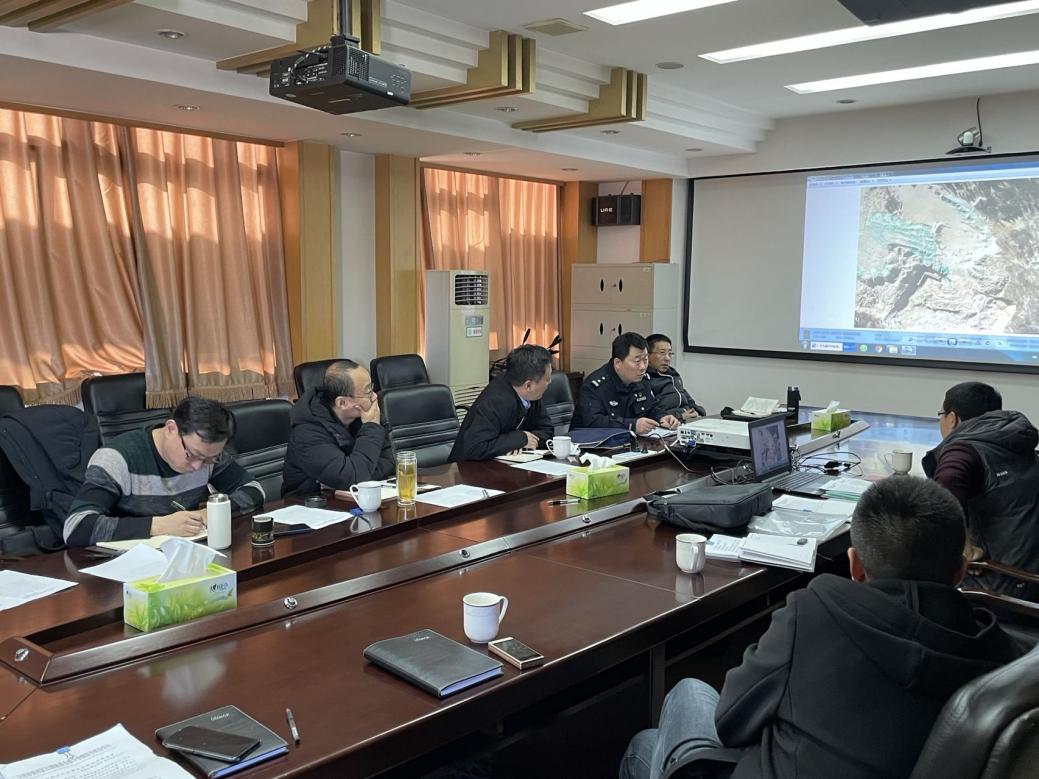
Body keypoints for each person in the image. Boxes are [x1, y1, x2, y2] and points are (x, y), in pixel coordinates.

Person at [619, 476, 1022, 779]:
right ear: (961, 570)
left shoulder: (816, 612)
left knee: (671, 712)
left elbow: (731, 721)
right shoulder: (1002, 655)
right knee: (648, 744)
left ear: (855, 565)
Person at [64, 396, 264, 547]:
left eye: (208, 459)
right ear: (170, 429)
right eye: (191, 455)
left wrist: (209, 513)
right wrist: (158, 526)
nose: (197, 466)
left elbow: (254, 490)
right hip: (129, 565)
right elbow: (76, 527)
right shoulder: (117, 458)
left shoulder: (207, 454)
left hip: (186, 554)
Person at [922, 380, 1039, 600]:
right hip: (1029, 577)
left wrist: (962, 546)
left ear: (952, 418)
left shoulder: (964, 448)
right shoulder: (1016, 441)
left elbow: (946, 483)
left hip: (995, 587)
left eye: (941, 414)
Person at [281, 359, 395, 497]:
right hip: (309, 504)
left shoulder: (362, 414)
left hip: (351, 499)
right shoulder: (308, 433)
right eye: (368, 392)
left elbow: (389, 462)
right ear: (342, 403)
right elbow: (352, 477)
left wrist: (349, 478)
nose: (374, 396)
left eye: (372, 388)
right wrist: (371, 428)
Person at [449, 345, 554, 462]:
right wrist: (518, 439)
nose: (550, 382)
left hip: (506, 464)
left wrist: (526, 442)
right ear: (528, 385)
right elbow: (475, 447)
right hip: (466, 468)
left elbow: (547, 431)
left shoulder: (531, 395)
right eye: (547, 379)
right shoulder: (496, 401)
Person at [571, 333, 680, 435]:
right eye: (637, 361)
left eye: (645, 360)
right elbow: (593, 422)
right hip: (593, 444)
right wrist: (632, 425)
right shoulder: (595, 386)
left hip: (630, 443)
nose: (643, 367)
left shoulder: (642, 380)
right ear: (618, 363)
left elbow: (650, 408)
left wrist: (662, 417)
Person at [646, 334, 706, 421]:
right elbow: (650, 413)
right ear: (647, 355)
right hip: (667, 423)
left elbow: (689, 401)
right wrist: (680, 415)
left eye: (670, 353)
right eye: (662, 353)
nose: (667, 358)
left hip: (686, 420)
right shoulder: (644, 378)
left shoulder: (673, 374)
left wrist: (698, 412)